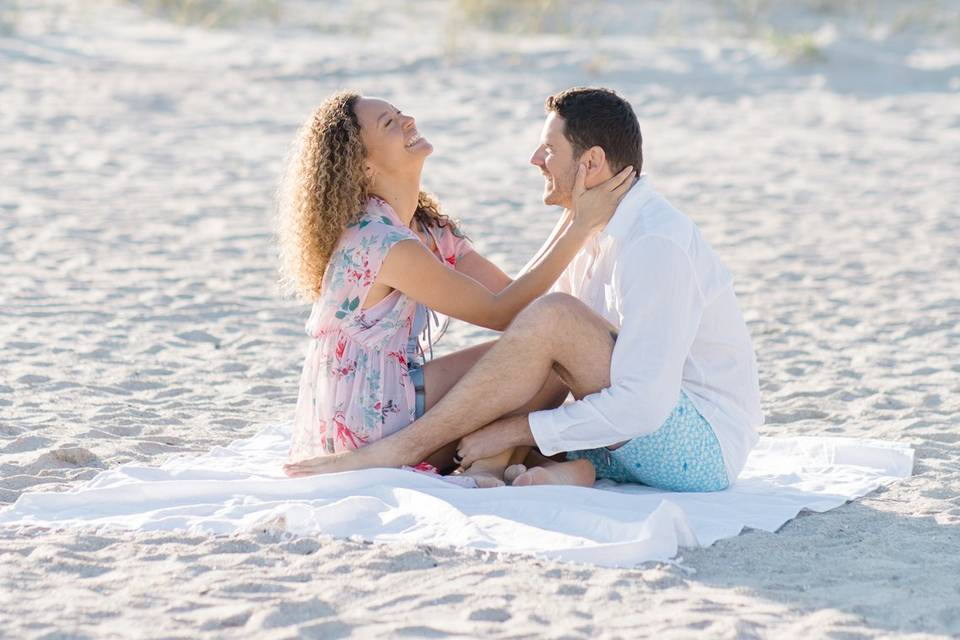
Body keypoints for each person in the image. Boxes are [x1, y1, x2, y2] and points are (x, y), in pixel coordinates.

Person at [284, 87, 764, 492]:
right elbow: (514, 315)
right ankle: (530, 463)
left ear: (591, 162)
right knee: (545, 333)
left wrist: (514, 425)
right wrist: (575, 226)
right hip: (366, 412)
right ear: (364, 168)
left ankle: (485, 456)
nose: (535, 159)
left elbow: (529, 315)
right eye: (390, 123)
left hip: (698, 443)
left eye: (549, 150)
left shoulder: (652, 241)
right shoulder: (382, 240)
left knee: (548, 329)